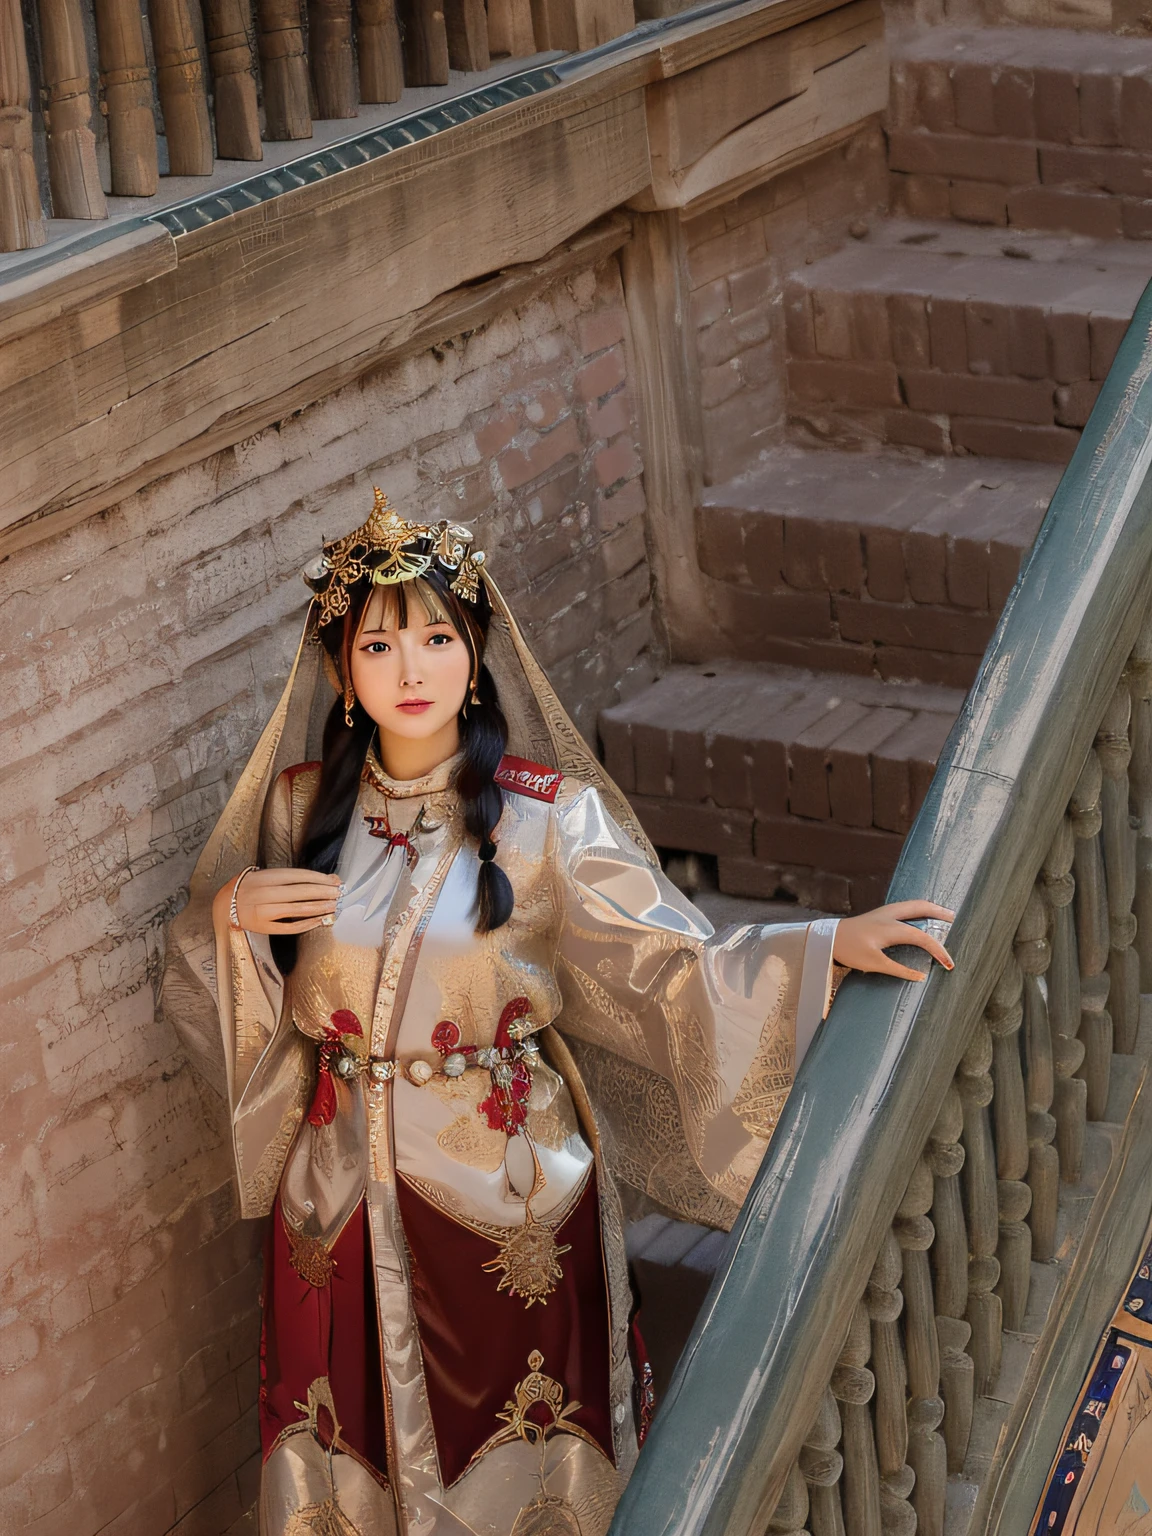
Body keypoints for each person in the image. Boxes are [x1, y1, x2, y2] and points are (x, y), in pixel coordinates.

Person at [164, 490, 953, 1536]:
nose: (413, 672)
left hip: (507, 1197)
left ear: (479, 655)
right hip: (336, 1203)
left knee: (517, 1457)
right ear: (340, 672)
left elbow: (669, 968)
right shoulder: (298, 808)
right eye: (380, 647)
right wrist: (228, 916)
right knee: (345, 1444)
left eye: (439, 639)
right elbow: (204, 980)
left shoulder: (546, 817)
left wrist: (819, 951)